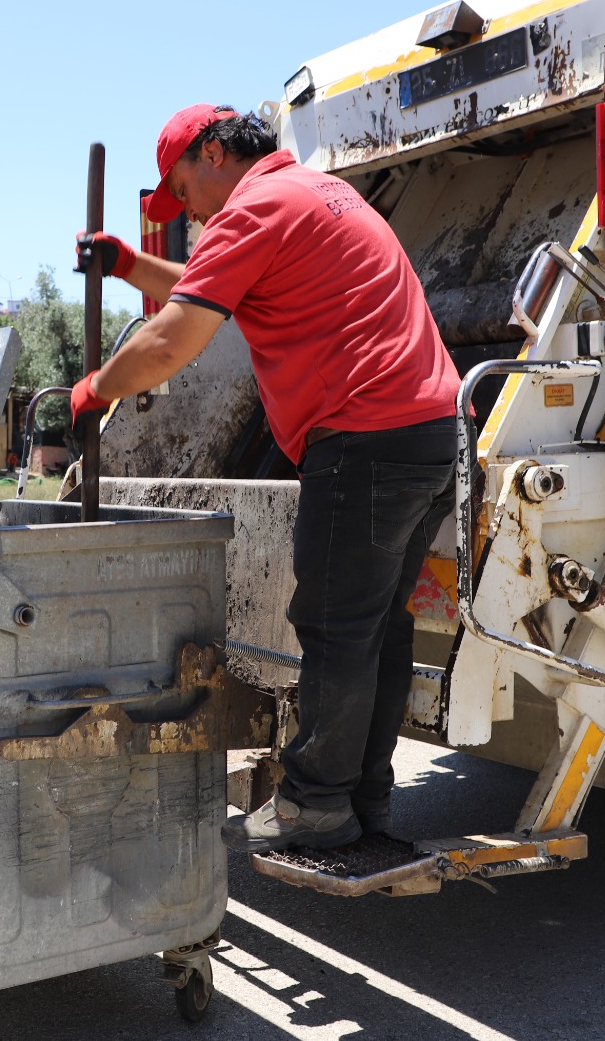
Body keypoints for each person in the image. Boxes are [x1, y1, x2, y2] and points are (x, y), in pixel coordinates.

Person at [71, 104, 461, 854]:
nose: (181, 206)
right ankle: (361, 802)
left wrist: (96, 390)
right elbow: (207, 286)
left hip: (363, 437)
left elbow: (168, 342)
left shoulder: (253, 211)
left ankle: (313, 804)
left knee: (335, 628)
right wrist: (126, 264)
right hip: (428, 433)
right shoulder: (308, 193)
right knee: (377, 629)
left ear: (213, 153)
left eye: (179, 186)